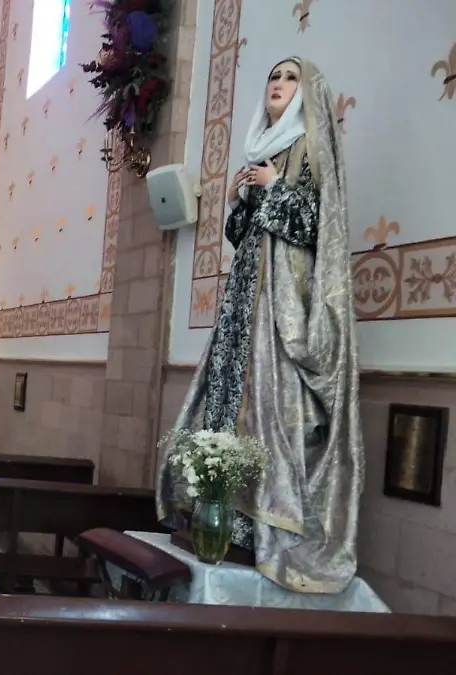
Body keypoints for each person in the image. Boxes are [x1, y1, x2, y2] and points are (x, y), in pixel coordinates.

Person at [156, 57, 363, 594]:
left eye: (291, 78)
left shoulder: (311, 148)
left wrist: (274, 187)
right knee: (229, 394)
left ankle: (261, 526)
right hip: (245, 298)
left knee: (270, 406)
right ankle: (217, 514)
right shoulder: (263, 150)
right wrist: (240, 200)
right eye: (274, 76)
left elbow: (321, 226)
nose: (279, 84)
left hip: (282, 302)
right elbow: (248, 234)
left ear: (305, 93)